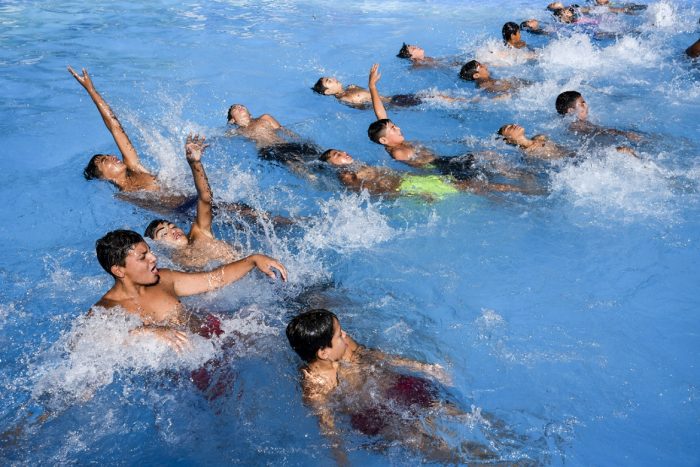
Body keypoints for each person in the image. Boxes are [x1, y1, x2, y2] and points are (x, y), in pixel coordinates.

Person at [286, 309, 498, 464]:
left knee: (459, 414)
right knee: (422, 442)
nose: (345, 334)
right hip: (374, 417)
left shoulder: (345, 346)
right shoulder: (316, 387)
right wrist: (343, 461)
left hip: (397, 388)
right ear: (323, 352)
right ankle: (481, 462)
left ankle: (508, 444)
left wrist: (423, 367)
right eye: (339, 333)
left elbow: (374, 356)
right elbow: (328, 428)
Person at [92, 229, 287, 351]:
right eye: (143, 257)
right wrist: (145, 331)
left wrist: (252, 260)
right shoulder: (106, 310)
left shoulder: (164, 279)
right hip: (190, 367)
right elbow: (91, 349)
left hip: (216, 336)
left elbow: (213, 279)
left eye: (150, 251)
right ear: (119, 270)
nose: (154, 258)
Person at [143, 134, 241, 270]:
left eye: (172, 226)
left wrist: (195, 163)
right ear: (157, 246)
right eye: (164, 233)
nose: (173, 231)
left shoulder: (199, 233)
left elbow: (206, 198)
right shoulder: (174, 267)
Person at [319, 149, 536, 197]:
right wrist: (407, 193)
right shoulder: (346, 175)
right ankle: (524, 192)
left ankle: (512, 195)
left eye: (339, 151)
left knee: (472, 186)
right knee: (473, 186)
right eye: (336, 155)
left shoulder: (357, 166)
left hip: (412, 181)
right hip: (410, 187)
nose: (343, 153)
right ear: (333, 165)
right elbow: (367, 191)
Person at [312, 76, 462, 110]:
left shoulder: (350, 87)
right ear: (328, 92)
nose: (333, 79)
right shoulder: (347, 99)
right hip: (394, 104)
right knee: (435, 97)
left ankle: (462, 101)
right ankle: (467, 102)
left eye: (330, 78)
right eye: (329, 82)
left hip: (394, 98)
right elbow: (368, 108)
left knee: (434, 95)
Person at [555, 90, 642, 142]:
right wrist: (625, 134)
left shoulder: (567, 122)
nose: (586, 106)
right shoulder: (577, 125)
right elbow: (600, 131)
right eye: (582, 104)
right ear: (571, 111)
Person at [459, 60, 527, 94]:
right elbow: (503, 91)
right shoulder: (485, 85)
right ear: (476, 75)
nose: (485, 66)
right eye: (481, 66)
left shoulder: (485, 80)